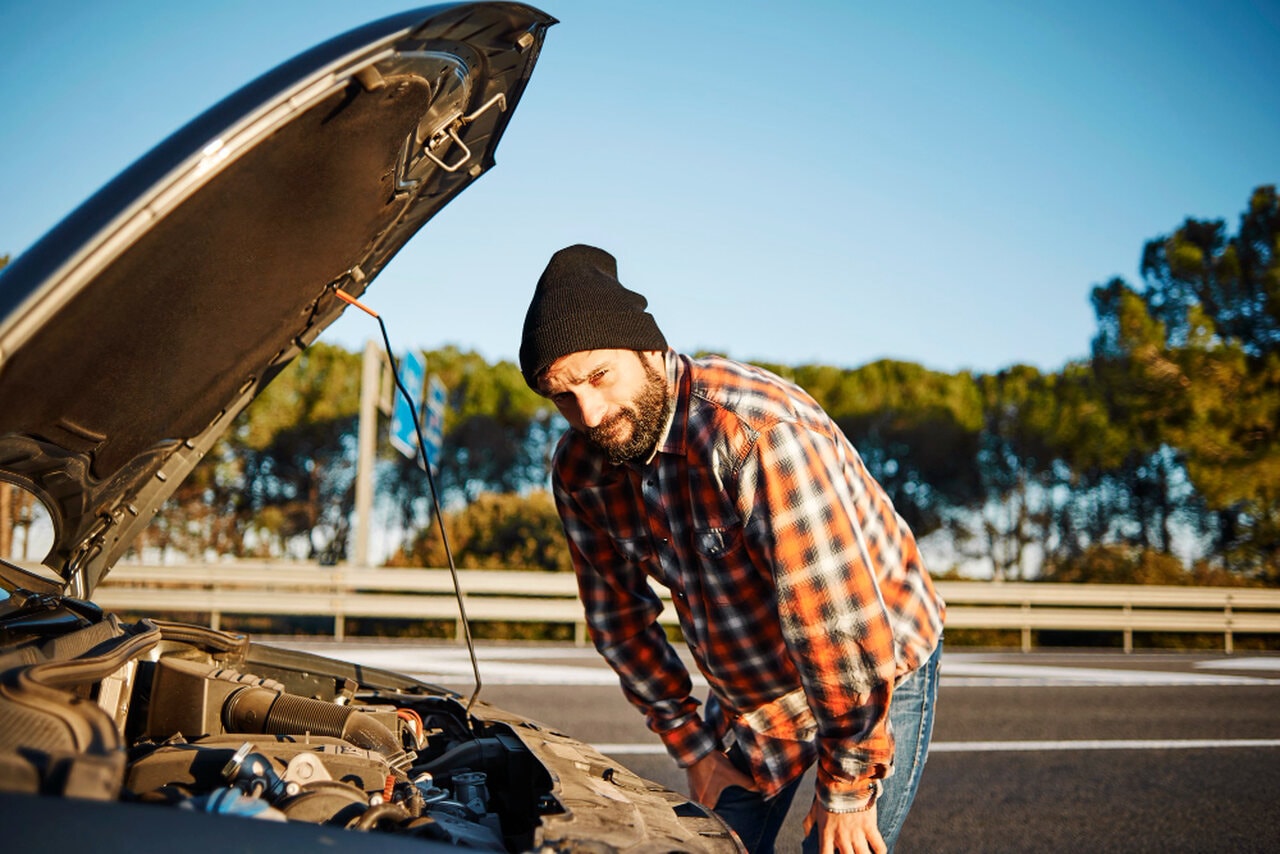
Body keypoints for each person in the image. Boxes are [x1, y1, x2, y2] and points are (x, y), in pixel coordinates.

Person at [519, 244, 945, 854]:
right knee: (714, 846)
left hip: (871, 660)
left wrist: (848, 787)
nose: (588, 413)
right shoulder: (581, 470)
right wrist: (691, 746)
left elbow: (834, 627)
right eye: (562, 396)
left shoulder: (756, 435)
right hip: (754, 695)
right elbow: (619, 622)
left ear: (649, 352)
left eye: (598, 377)